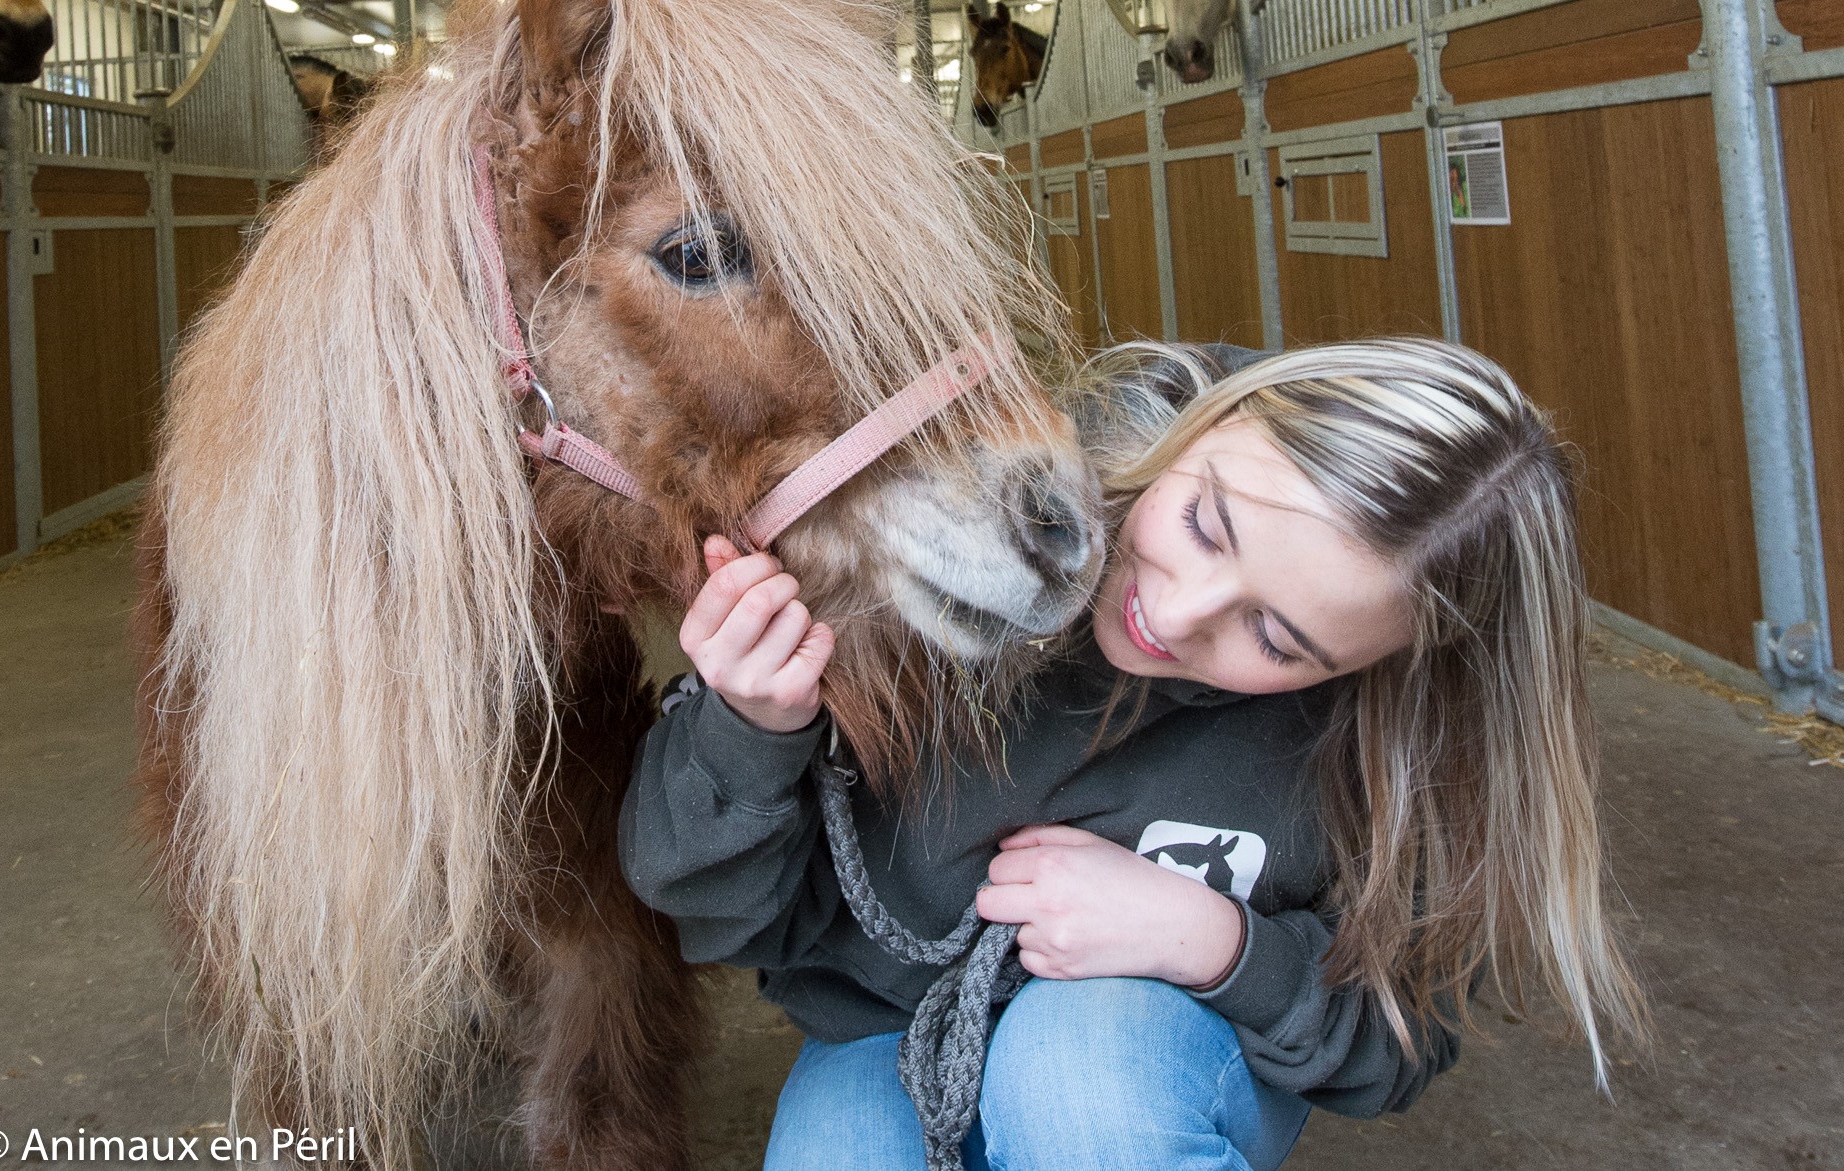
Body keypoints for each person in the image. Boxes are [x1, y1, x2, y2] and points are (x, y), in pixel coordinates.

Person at [620, 337, 1646, 1171]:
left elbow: (1394, 1039)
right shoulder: (954, 557)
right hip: (883, 1030)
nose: (1175, 610)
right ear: (1213, 420)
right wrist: (750, 725)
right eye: (1203, 520)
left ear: (1383, 665)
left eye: (1277, 638)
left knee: (1076, 1074)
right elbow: (717, 916)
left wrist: (1213, 941)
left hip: (1140, 1051)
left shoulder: (1381, 749)